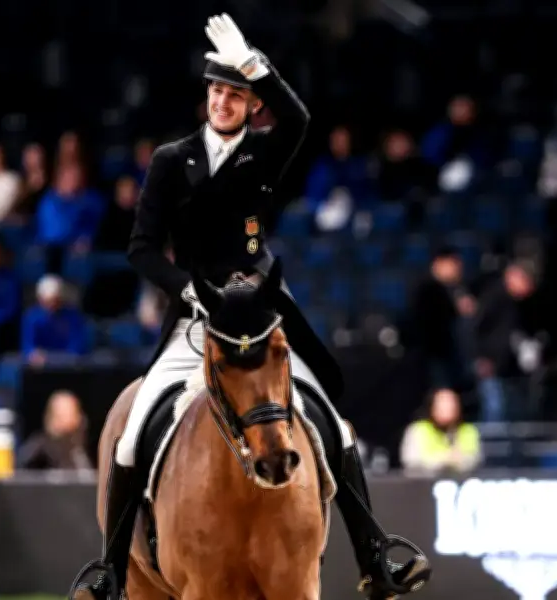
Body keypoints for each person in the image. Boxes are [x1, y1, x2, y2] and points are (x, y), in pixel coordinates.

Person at [72, 14, 429, 600]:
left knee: (334, 428)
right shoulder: (171, 160)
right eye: (216, 90)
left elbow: (300, 119)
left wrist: (254, 64)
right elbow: (141, 248)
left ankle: (375, 557)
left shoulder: (264, 153)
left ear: (251, 105)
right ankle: (111, 572)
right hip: (196, 318)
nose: (222, 101)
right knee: (132, 436)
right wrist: (185, 289)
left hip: (260, 313)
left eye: (235, 94)